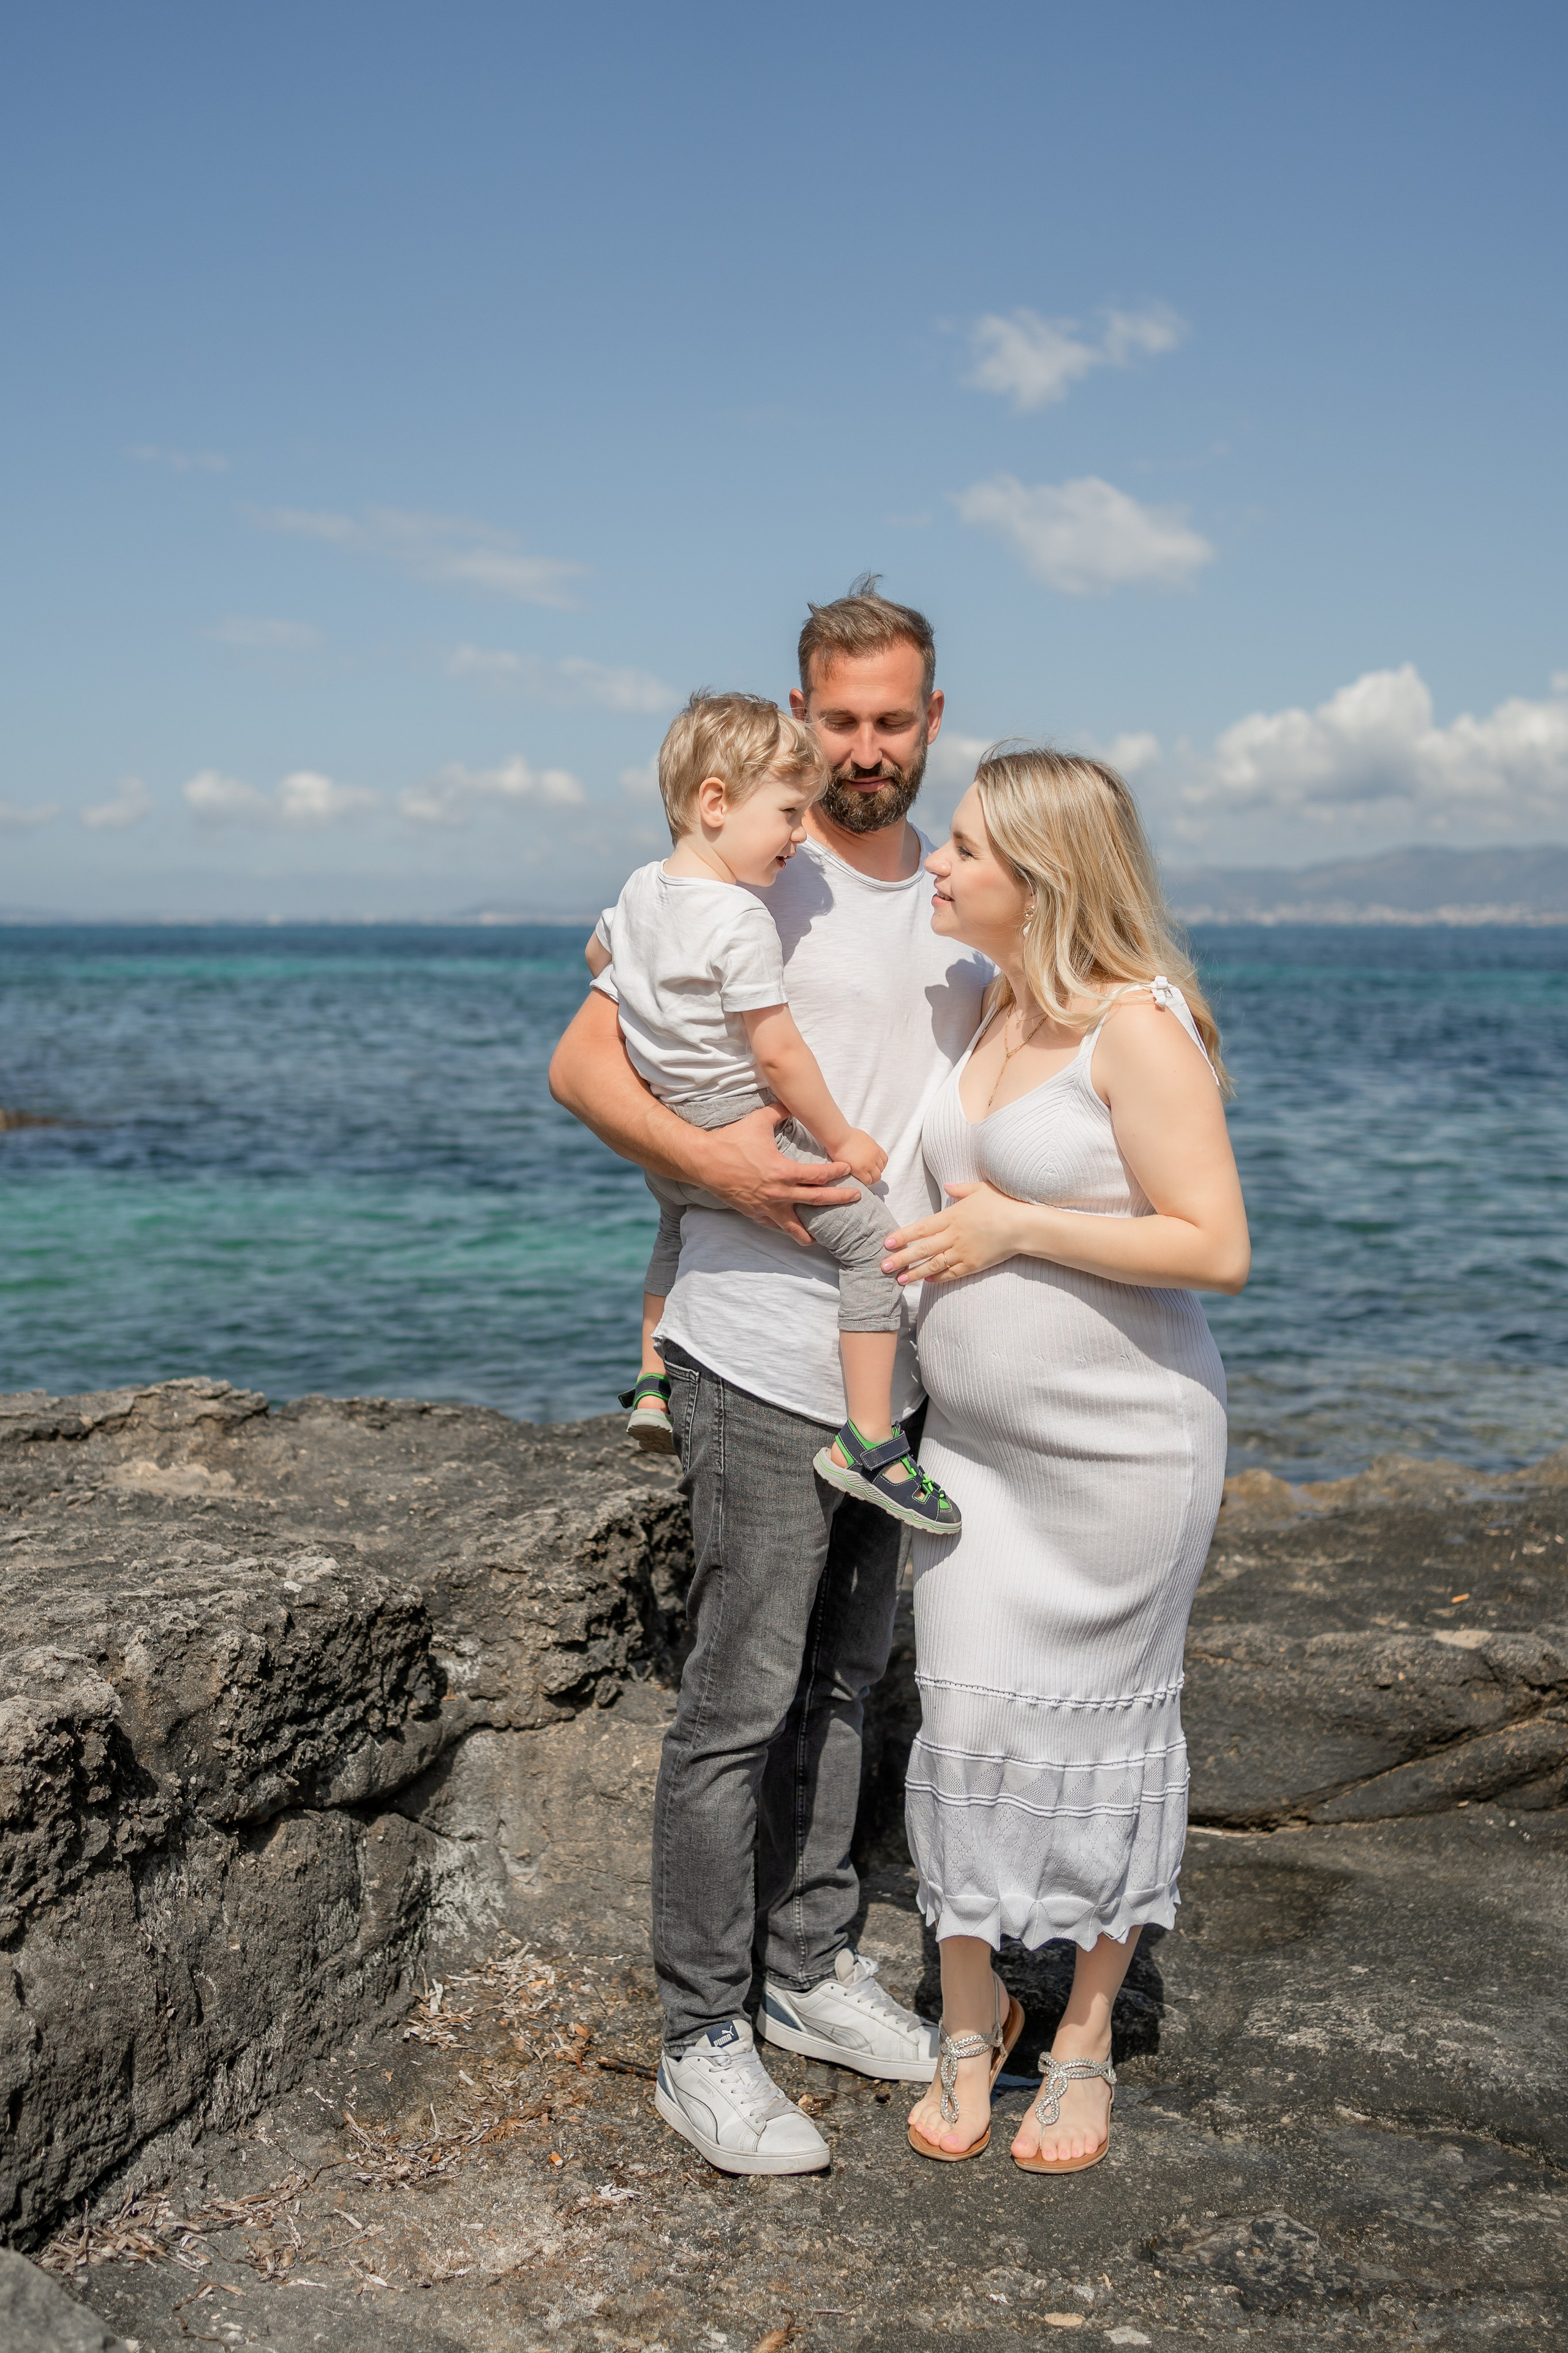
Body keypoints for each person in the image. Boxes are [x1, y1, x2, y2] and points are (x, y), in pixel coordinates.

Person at [549, 580, 992, 2175]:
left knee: (855, 1682)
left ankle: (809, 1968)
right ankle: (702, 2035)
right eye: (837, 721)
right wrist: (724, 1177)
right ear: (799, 720)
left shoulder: (969, 887)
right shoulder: (744, 876)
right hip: (756, 1347)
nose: (863, 748)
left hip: (915, 1356)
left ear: (932, 721)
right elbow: (582, 1065)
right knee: (735, 1706)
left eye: (892, 719)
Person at [883, 748, 1250, 2175]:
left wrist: (1019, 1229)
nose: (939, 862)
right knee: (966, 1729)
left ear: (1040, 876)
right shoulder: (983, 1003)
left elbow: (1212, 1245)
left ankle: (1084, 2035)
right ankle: (969, 2025)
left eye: (966, 848)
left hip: (1121, 1462)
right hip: (972, 1454)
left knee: (1107, 1739)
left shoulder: (1133, 1028)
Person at [588, 687, 960, 1538]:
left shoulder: (643, 888)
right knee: (873, 1244)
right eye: (789, 813)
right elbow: (779, 1054)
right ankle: (870, 1441)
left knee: (673, 1229)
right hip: (737, 1114)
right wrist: (843, 1138)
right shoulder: (742, 918)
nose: (799, 832)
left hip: (669, 1122)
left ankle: (651, 1378)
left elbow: (597, 953)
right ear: (715, 803)